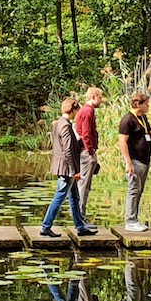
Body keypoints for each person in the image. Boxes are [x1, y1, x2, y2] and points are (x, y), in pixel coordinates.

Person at [39, 95, 94, 237]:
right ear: (73, 109)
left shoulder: (58, 123)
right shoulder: (65, 125)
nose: (78, 115)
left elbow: (69, 146)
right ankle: (46, 226)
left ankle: (80, 226)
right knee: (60, 196)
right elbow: (68, 150)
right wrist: (74, 171)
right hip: (66, 169)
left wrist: (81, 142)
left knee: (74, 197)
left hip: (64, 167)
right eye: (77, 111)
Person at [116, 92, 151, 230]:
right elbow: (122, 142)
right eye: (146, 103)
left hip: (144, 160)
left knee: (139, 190)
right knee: (133, 189)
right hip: (134, 160)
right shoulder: (127, 120)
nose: (148, 106)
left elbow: (147, 136)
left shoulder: (143, 118)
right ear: (137, 104)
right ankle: (130, 221)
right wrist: (128, 162)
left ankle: (135, 219)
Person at [74, 86, 105, 211]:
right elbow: (85, 134)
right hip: (86, 152)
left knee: (84, 185)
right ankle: (80, 216)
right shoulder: (87, 111)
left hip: (85, 151)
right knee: (83, 185)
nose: (101, 100)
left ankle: (80, 215)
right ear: (93, 97)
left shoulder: (85, 110)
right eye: (100, 97)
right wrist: (90, 151)